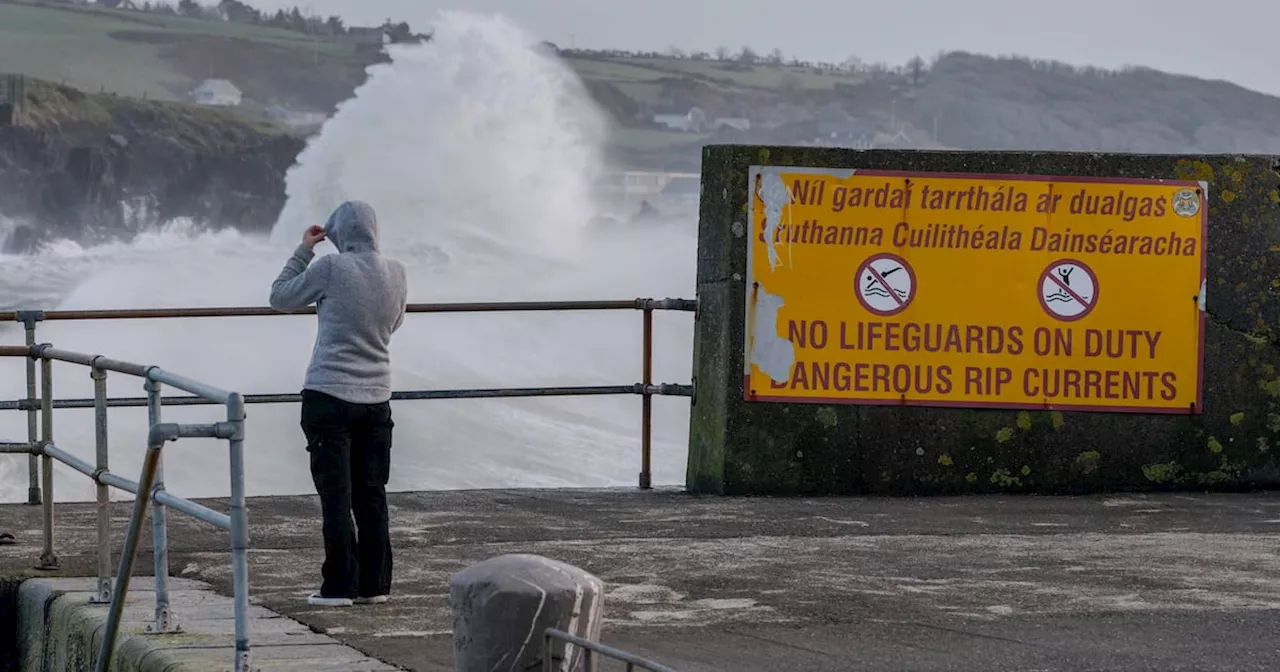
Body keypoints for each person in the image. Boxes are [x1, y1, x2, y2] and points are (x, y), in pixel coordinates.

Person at [268, 200, 408, 607]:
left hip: (328, 395)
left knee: (336, 494)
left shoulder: (331, 268)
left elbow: (279, 296)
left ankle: (339, 586)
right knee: (371, 493)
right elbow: (394, 323)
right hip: (377, 398)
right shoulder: (397, 273)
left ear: (338, 233)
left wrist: (304, 249)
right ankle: (375, 584)